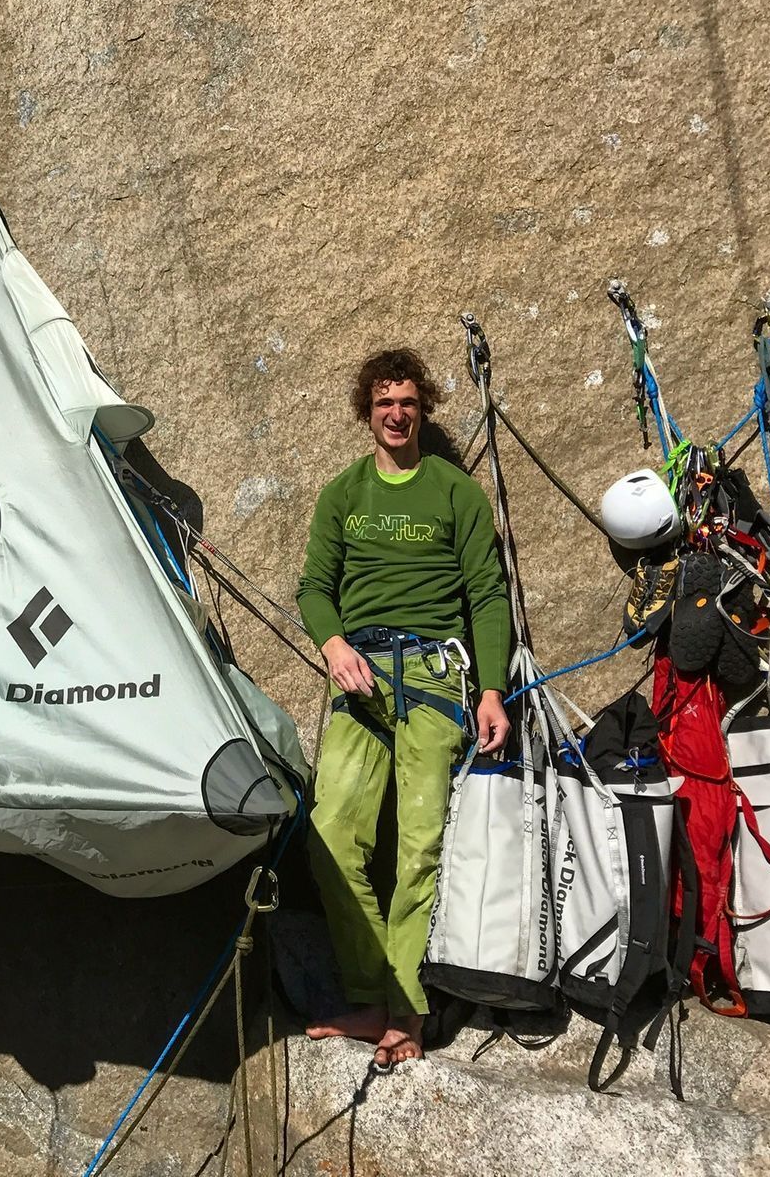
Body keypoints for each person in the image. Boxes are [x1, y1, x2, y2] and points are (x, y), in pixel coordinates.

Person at [297, 348, 513, 1069]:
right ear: (367, 411)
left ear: (422, 411)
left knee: (418, 845)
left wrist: (488, 690)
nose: (396, 414)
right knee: (329, 832)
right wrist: (332, 645)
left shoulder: (455, 493)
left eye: (408, 403)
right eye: (384, 402)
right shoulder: (344, 493)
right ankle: (370, 993)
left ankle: (409, 1012)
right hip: (357, 675)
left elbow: (485, 595)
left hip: (432, 676)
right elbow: (313, 587)